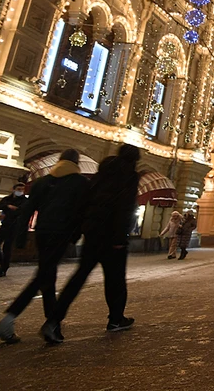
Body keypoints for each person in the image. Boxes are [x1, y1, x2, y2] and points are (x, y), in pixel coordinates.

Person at [40, 144, 141, 344]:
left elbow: (85, 203)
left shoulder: (101, 174)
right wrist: (120, 238)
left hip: (93, 234)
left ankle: (53, 320)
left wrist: (79, 231)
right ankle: (115, 319)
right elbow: (124, 207)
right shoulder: (129, 175)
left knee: (78, 278)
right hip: (112, 238)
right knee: (116, 281)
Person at [0, 149, 88, 344]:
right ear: (76, 163)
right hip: (61, 235)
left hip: (42, 233)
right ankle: (8, 319)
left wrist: (21, 237)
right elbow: (82, 212)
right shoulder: (80, 183)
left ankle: (53, 326)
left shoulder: (43, 182)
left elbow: (27, 210)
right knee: (42, 276)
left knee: (47, 277)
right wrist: (74, 237)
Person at [0, 182, 27, 277]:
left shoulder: (25, 201)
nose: (21, 191)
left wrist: (11, 210)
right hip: (5, 225)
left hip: (15, 227)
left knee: (7, 247)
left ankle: (3, 268)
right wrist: (8, 206)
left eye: (22, 190)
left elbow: (21, 211)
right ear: (14, 189)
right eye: (19, 189)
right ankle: (4, 265)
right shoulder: (7, 199)